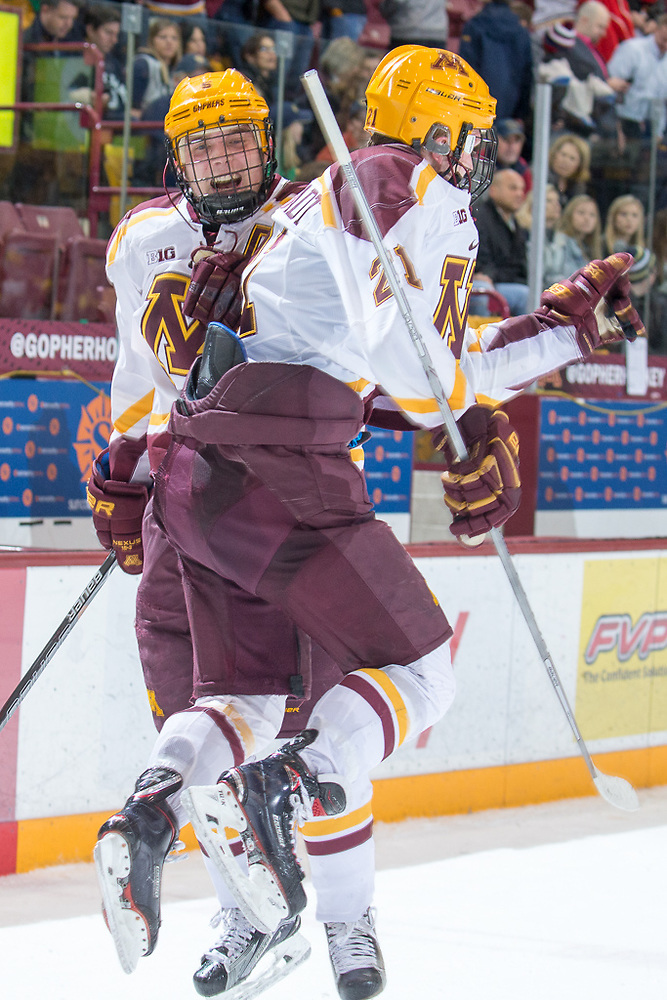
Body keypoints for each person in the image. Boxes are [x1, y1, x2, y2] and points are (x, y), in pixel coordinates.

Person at [129, 44, 641, 993]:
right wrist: (463, 406)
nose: (478, 158)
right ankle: (273, 817)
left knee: (239, 703)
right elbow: (412, 370)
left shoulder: (319, 198)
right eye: (471, 139)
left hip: (205, 475)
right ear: (439, 130)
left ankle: (152, 811)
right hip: (295, 479)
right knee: (411, 673)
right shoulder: (404, 186)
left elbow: (417, 355)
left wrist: (560, 333)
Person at [88, 69, 389, 1000]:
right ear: (176, 157)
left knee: (310, 733)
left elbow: (368, 367)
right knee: (196, 717)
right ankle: (250, 917)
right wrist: (128, 469)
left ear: (267, 143)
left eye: (238, 140)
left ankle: (347, 920)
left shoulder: (313, 222)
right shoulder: (145, 240)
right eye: (203, 145)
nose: (223, 160)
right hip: (188, 500)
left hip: (293, 501)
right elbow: (139, 371)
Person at [458, 0, 533, 121]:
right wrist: (521, 113)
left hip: (477, 108)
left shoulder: (474, 26)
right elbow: (526, 75)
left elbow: (465, 70)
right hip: (510, 108)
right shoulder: (521, 31)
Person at [473, 167, 530, 315]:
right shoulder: (480, 217)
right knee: (526, 297)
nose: (520, 194)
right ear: (493, 190)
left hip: (506, 282)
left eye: (522, 189)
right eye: (513, 188)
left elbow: (520, 266)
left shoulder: (516, 225)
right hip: (485, 283)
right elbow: (481, 264)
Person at [607, 14, 667, 144]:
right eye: (664, 39)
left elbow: (662, 102)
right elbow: (610, 86)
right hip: (624, 120)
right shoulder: (632, 49)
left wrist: (659, 132)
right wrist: (615, 126)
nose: (665, 44)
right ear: (657, 28)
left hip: (651, 124)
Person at [69, 3, 127, 121]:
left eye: (116, 34)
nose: (114, 40)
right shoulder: (74, 60)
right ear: (90, 30)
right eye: (108, 33)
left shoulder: (114, 63)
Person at [132, 17, 182, 117]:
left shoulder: (176, 69)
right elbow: (133, 109)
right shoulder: (143, 64)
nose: (169, 42)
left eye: (174, 38)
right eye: (163, 37)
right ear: (151, 41)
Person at [547, 131, 591, 207]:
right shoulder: (543, 178)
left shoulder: (578, 188)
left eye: (572, 158)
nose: (565, 162)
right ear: (554, 155)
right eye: (563, 155)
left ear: (580, 165)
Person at [558, 192, 604, 260]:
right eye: (581, 213)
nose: (587, 218)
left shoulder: (591, 247)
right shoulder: (561, 242)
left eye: (592, 214)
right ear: (569, 215)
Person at [494, 118, 533, 192]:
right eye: (506, 140)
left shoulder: (524, 170)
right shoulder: (479, 162)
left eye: (516, 141)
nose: (512, 146)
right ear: (494, 139)